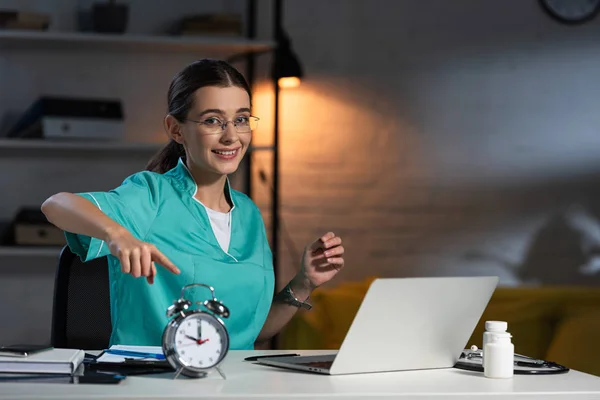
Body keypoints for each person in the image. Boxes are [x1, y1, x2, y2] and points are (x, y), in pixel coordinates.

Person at [41, 59, 345, 350]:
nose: (231, 136)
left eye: (240, 120)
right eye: (213, 120)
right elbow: (56, 204)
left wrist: (304, 282)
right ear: (176, 129)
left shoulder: (248, 213)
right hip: (153, 382)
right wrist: (117, 234)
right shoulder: (152, 194)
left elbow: (251, 331)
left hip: (235, 383)